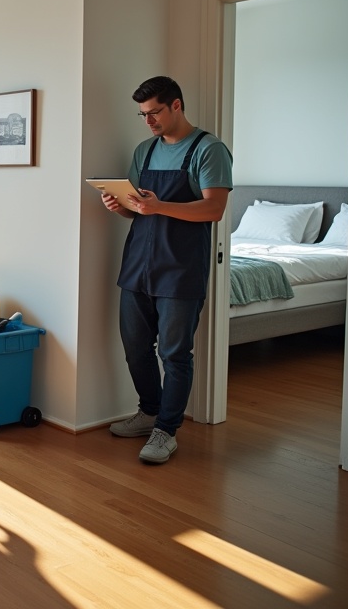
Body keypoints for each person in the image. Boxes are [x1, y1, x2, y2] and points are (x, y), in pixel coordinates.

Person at [103, 76, 233, 464]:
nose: (149, 121)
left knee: (175, 353)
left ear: (176, 105)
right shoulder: (144, 151)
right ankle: (148, 412)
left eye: (155, 112)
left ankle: (166, 431)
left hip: (180, 269)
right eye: (143, 115)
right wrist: (121, 206)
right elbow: (138, 209)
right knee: (135, 349)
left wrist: (160, 207)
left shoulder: (208, 150)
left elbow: (214, 209)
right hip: (138, 265)